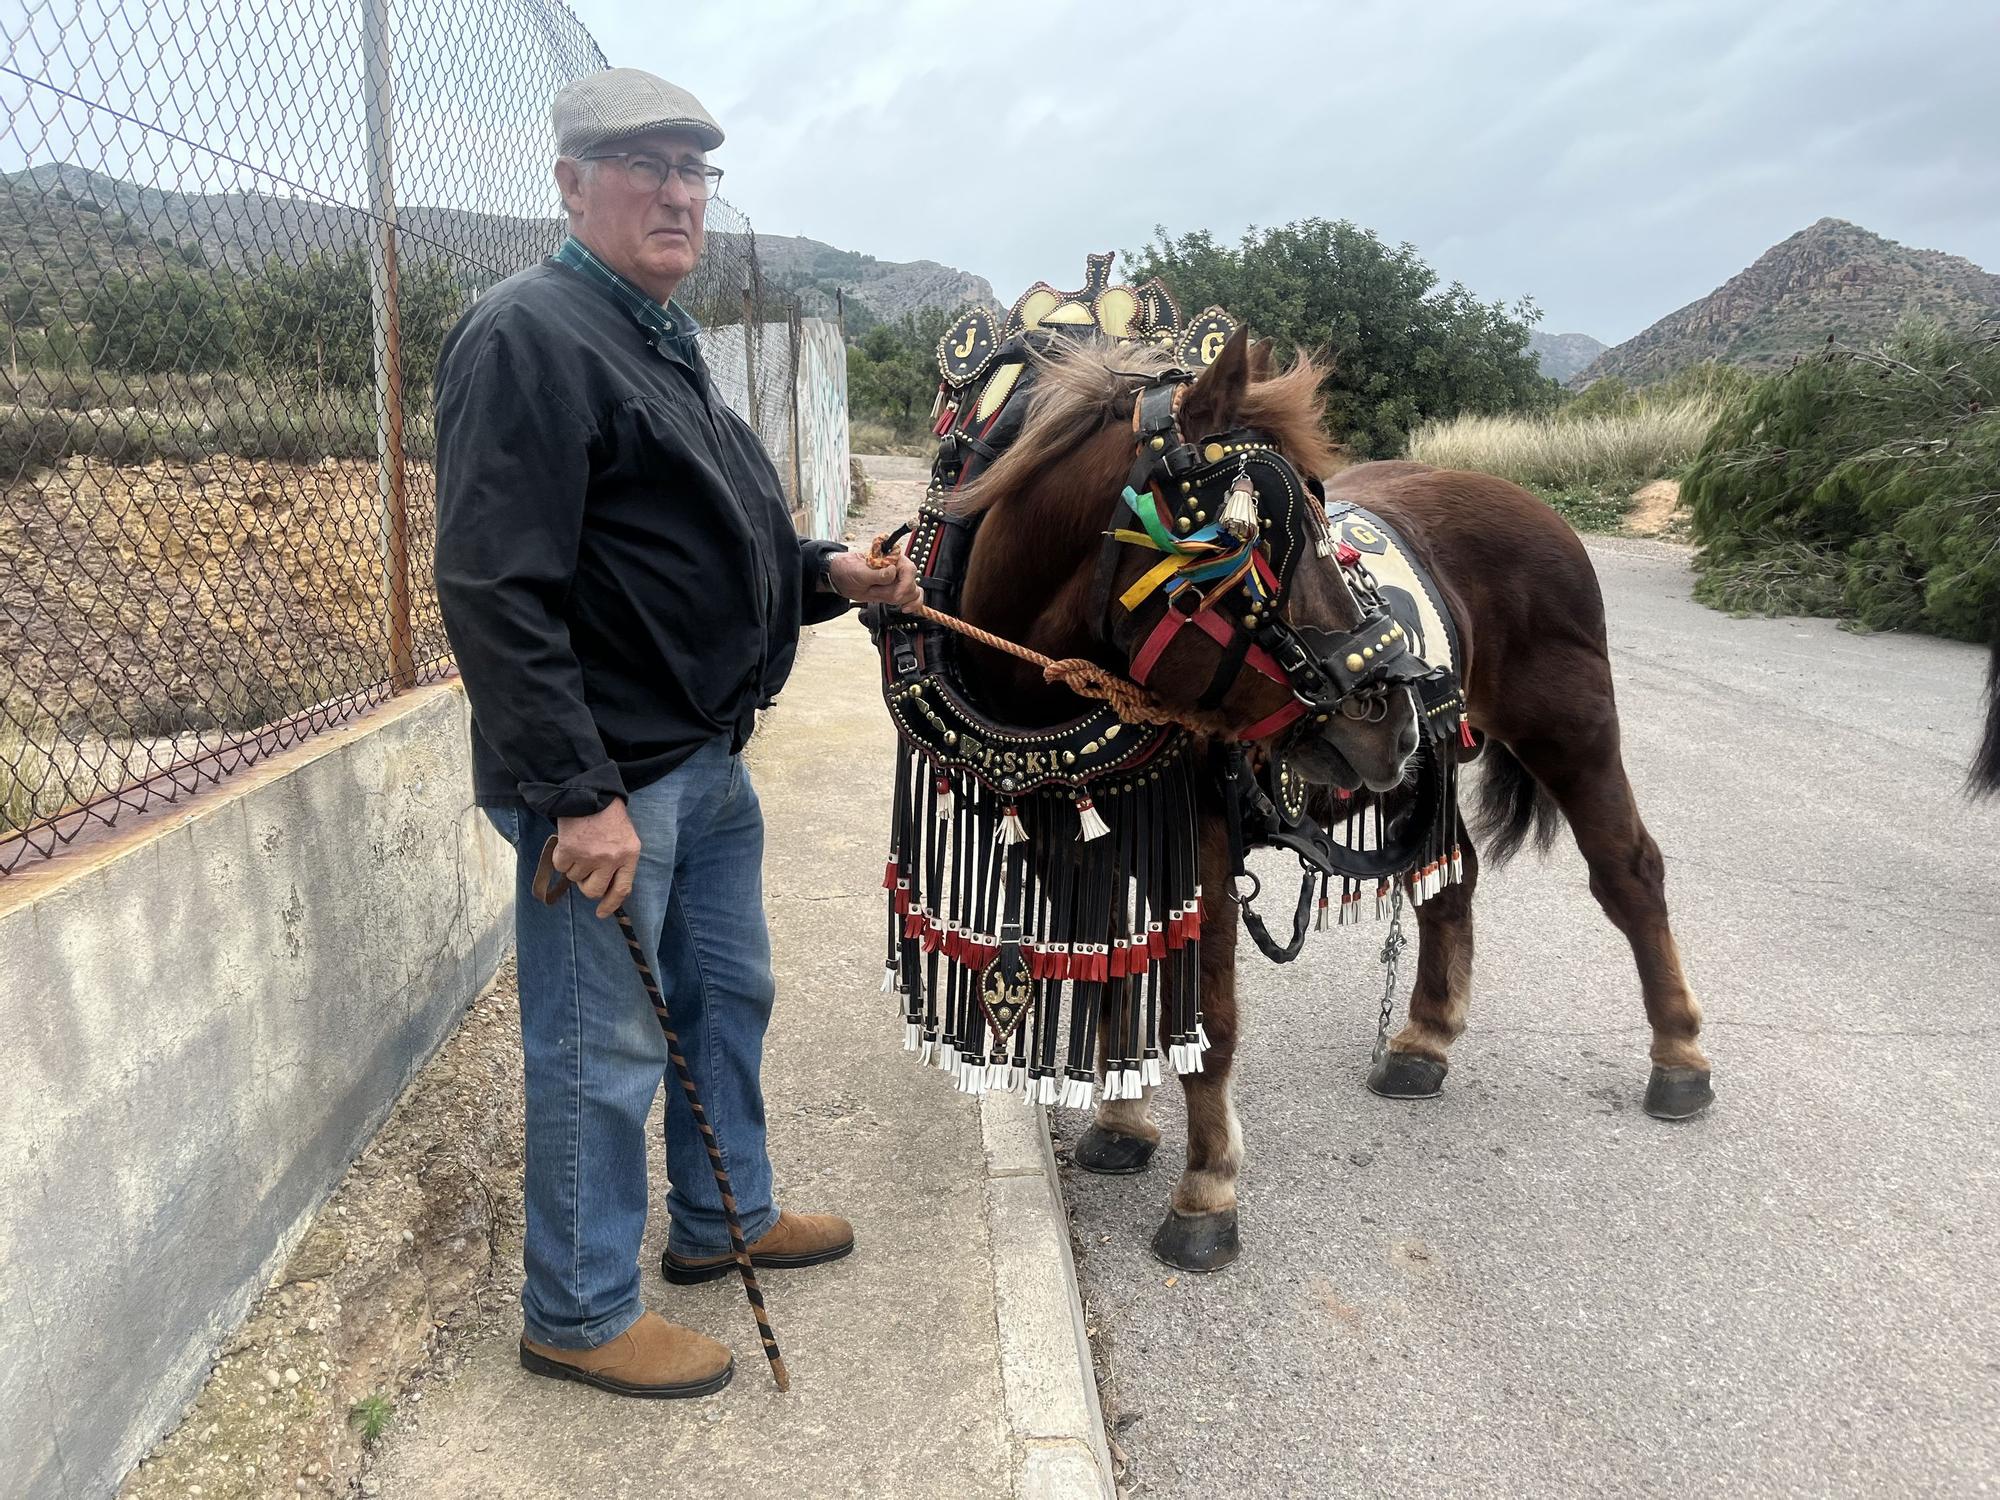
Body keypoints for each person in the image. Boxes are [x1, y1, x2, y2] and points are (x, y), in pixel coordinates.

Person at [432, 67, 919, 1400]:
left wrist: (827, 574)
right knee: (601, 1049)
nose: (675, 191)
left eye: (695, 169)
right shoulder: (528, 334)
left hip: (702, 766)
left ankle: (723, 1220)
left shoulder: (654, 331)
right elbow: (493, 590)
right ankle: (578, 1311)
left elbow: (705, 542)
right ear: (571, 186)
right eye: (641, 165)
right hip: (611, 787)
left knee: (727, 1002)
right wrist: (577, 795)